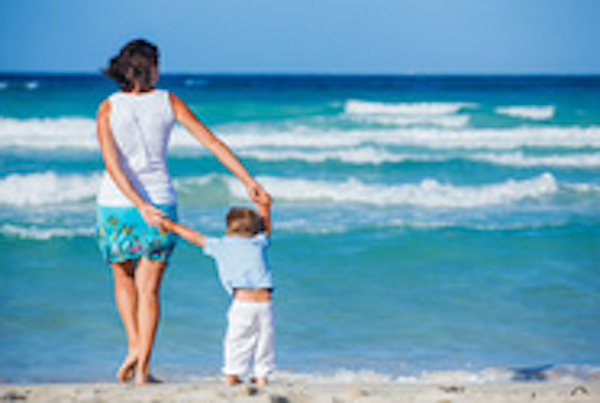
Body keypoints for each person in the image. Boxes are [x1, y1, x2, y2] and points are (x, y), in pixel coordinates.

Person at [95, 39, 270, 385]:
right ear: (151, 68)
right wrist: (247, 180)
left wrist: (137, 204)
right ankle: (143, 368)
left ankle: (133, 345)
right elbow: (212, 143)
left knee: (122, 278)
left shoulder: (108, 107)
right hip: (160, 202)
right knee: (149, 290)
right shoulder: (168, 101)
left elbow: (112, 165)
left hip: (116, 205)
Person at [161, 195, 274, 387]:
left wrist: (170, 226)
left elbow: (195, 237)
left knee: (236, 340)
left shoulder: (221, 245)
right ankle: (262, 375)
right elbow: (267, 228)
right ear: (255, 230)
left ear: (228, 229)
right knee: (265, 341)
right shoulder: (258, 242)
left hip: (243, 302)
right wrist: (265, 207)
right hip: (265, 302)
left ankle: (233, 374)